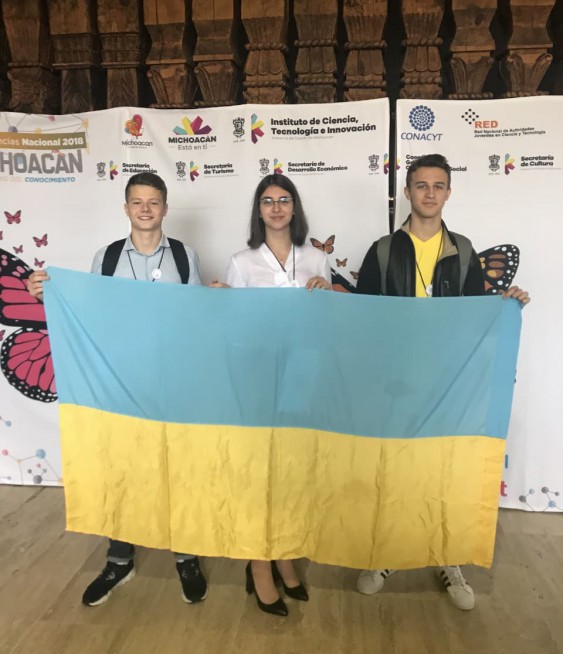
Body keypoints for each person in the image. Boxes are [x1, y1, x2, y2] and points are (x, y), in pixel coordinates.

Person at [355, 153, 529, 611]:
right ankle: (389, 553)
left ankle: (447, 559)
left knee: (447, 472)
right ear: (407, 191)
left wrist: (506, 305)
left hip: (449, 382)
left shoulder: (464, 251)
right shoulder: (382, 250)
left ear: (448, 192)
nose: (429, 193)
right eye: (421, 185)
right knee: (396, 471)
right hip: (397, 383)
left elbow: (475, 318)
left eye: (438, 186)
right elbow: (361, 318)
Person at [27, 172, 208, 608]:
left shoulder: (185, 257)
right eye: (137, 202)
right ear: (126, 208)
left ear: (165, 208)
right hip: (118, 386)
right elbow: (86, 312)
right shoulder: (106, 258)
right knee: (121, 470)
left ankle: (185, 557)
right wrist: (45, 295)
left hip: (172, 385)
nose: (145, 209)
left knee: (177, 469)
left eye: (153, 201)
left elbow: (200, 317)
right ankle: (120, 559)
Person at [214, 173, 331, 617]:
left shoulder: (316, 258)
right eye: (268, 200)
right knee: (257, 472)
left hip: (302, 377)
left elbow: (327, 325)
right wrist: (222, 301)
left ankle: (284, 554)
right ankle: (258, 563)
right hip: (256, 379)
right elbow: (232, 327)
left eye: (284, 199)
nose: (277, 207)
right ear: (258, 210)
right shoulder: (242, 262)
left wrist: (328, 295)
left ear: (294, 207)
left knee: (291, 472)